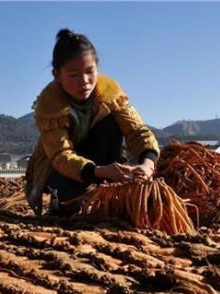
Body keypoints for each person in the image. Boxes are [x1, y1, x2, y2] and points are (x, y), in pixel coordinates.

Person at [25, 29, 160, 215]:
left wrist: (147, 165)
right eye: (74, 75)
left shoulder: (111, 96)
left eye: (90, 72)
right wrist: (100, 171)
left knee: (112, 122)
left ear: (98, 67)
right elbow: (61, 156)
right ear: (57, 75)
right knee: (68, 205)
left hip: (106, 164)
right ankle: (62, 201)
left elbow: (137, 131)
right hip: (64, 169)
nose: (84, 82)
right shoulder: (50, 107)